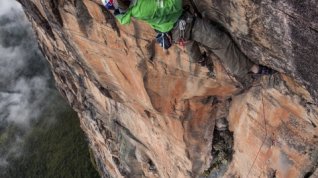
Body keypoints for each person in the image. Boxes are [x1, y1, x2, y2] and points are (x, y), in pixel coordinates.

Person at [101, 0, 274, 83]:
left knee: (192, 47)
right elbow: (173, 5)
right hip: (181, 23)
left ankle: (200, 60)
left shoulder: (134, 4)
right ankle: (250, 69)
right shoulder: (142, 8)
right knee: (220, 41)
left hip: (173, 28)